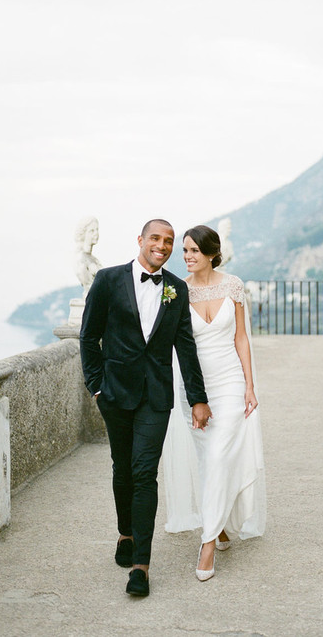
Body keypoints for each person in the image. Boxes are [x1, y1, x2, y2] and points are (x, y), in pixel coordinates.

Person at [80, 219, 212, 597]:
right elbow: (89, 336)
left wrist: (197, 397)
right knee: (122, 469)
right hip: (114, 394)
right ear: (140, 240)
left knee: (144, 473)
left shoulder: (177, 288)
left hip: (156, 396)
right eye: (156, 238)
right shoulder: (107, 280)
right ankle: (126, 532)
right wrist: (95, 386)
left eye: (169, 241)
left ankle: (141, 565)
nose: (163, 245)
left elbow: (185, 346)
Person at [163, 224, 266, 581]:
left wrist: (250, 386)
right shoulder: (176, 291)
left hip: (230, 380)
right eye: (185, 251)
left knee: (221, 455)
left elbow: (241, 338)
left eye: (193, 251)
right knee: (209, 460)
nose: (187, 257)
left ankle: (207, 544)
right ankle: (219, 526)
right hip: (194, 389)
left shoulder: (233, 285)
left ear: (210, 253)